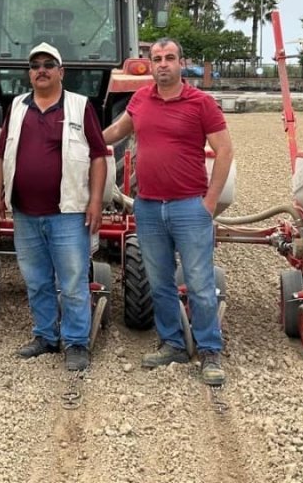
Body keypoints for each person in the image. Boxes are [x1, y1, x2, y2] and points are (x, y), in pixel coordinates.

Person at [102, 38, 233, 386]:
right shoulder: (140, 99)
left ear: (181, 63)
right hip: (147, 206)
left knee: (200, 284)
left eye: (169, 58)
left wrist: (210, 203)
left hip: (190, 207)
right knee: (159, 283)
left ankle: (209, 352)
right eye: (157, 59)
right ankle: (172, 344)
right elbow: (117, 132)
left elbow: (224, 151)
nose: (162, 64)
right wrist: (84, 139)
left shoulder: (201, 103)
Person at [0, 42, 108, 372]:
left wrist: (95, 201)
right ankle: (45, 336)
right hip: (25, 213)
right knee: (37, 280)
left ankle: (76, 342)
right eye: (35, 65)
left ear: (61, 72)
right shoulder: (16, 106)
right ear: (29, 73)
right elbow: (0, 155)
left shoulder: (80, 106)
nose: (41, 70)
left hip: (68, 214)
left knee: (72, 282)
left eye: (48, 64)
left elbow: (99, 157)